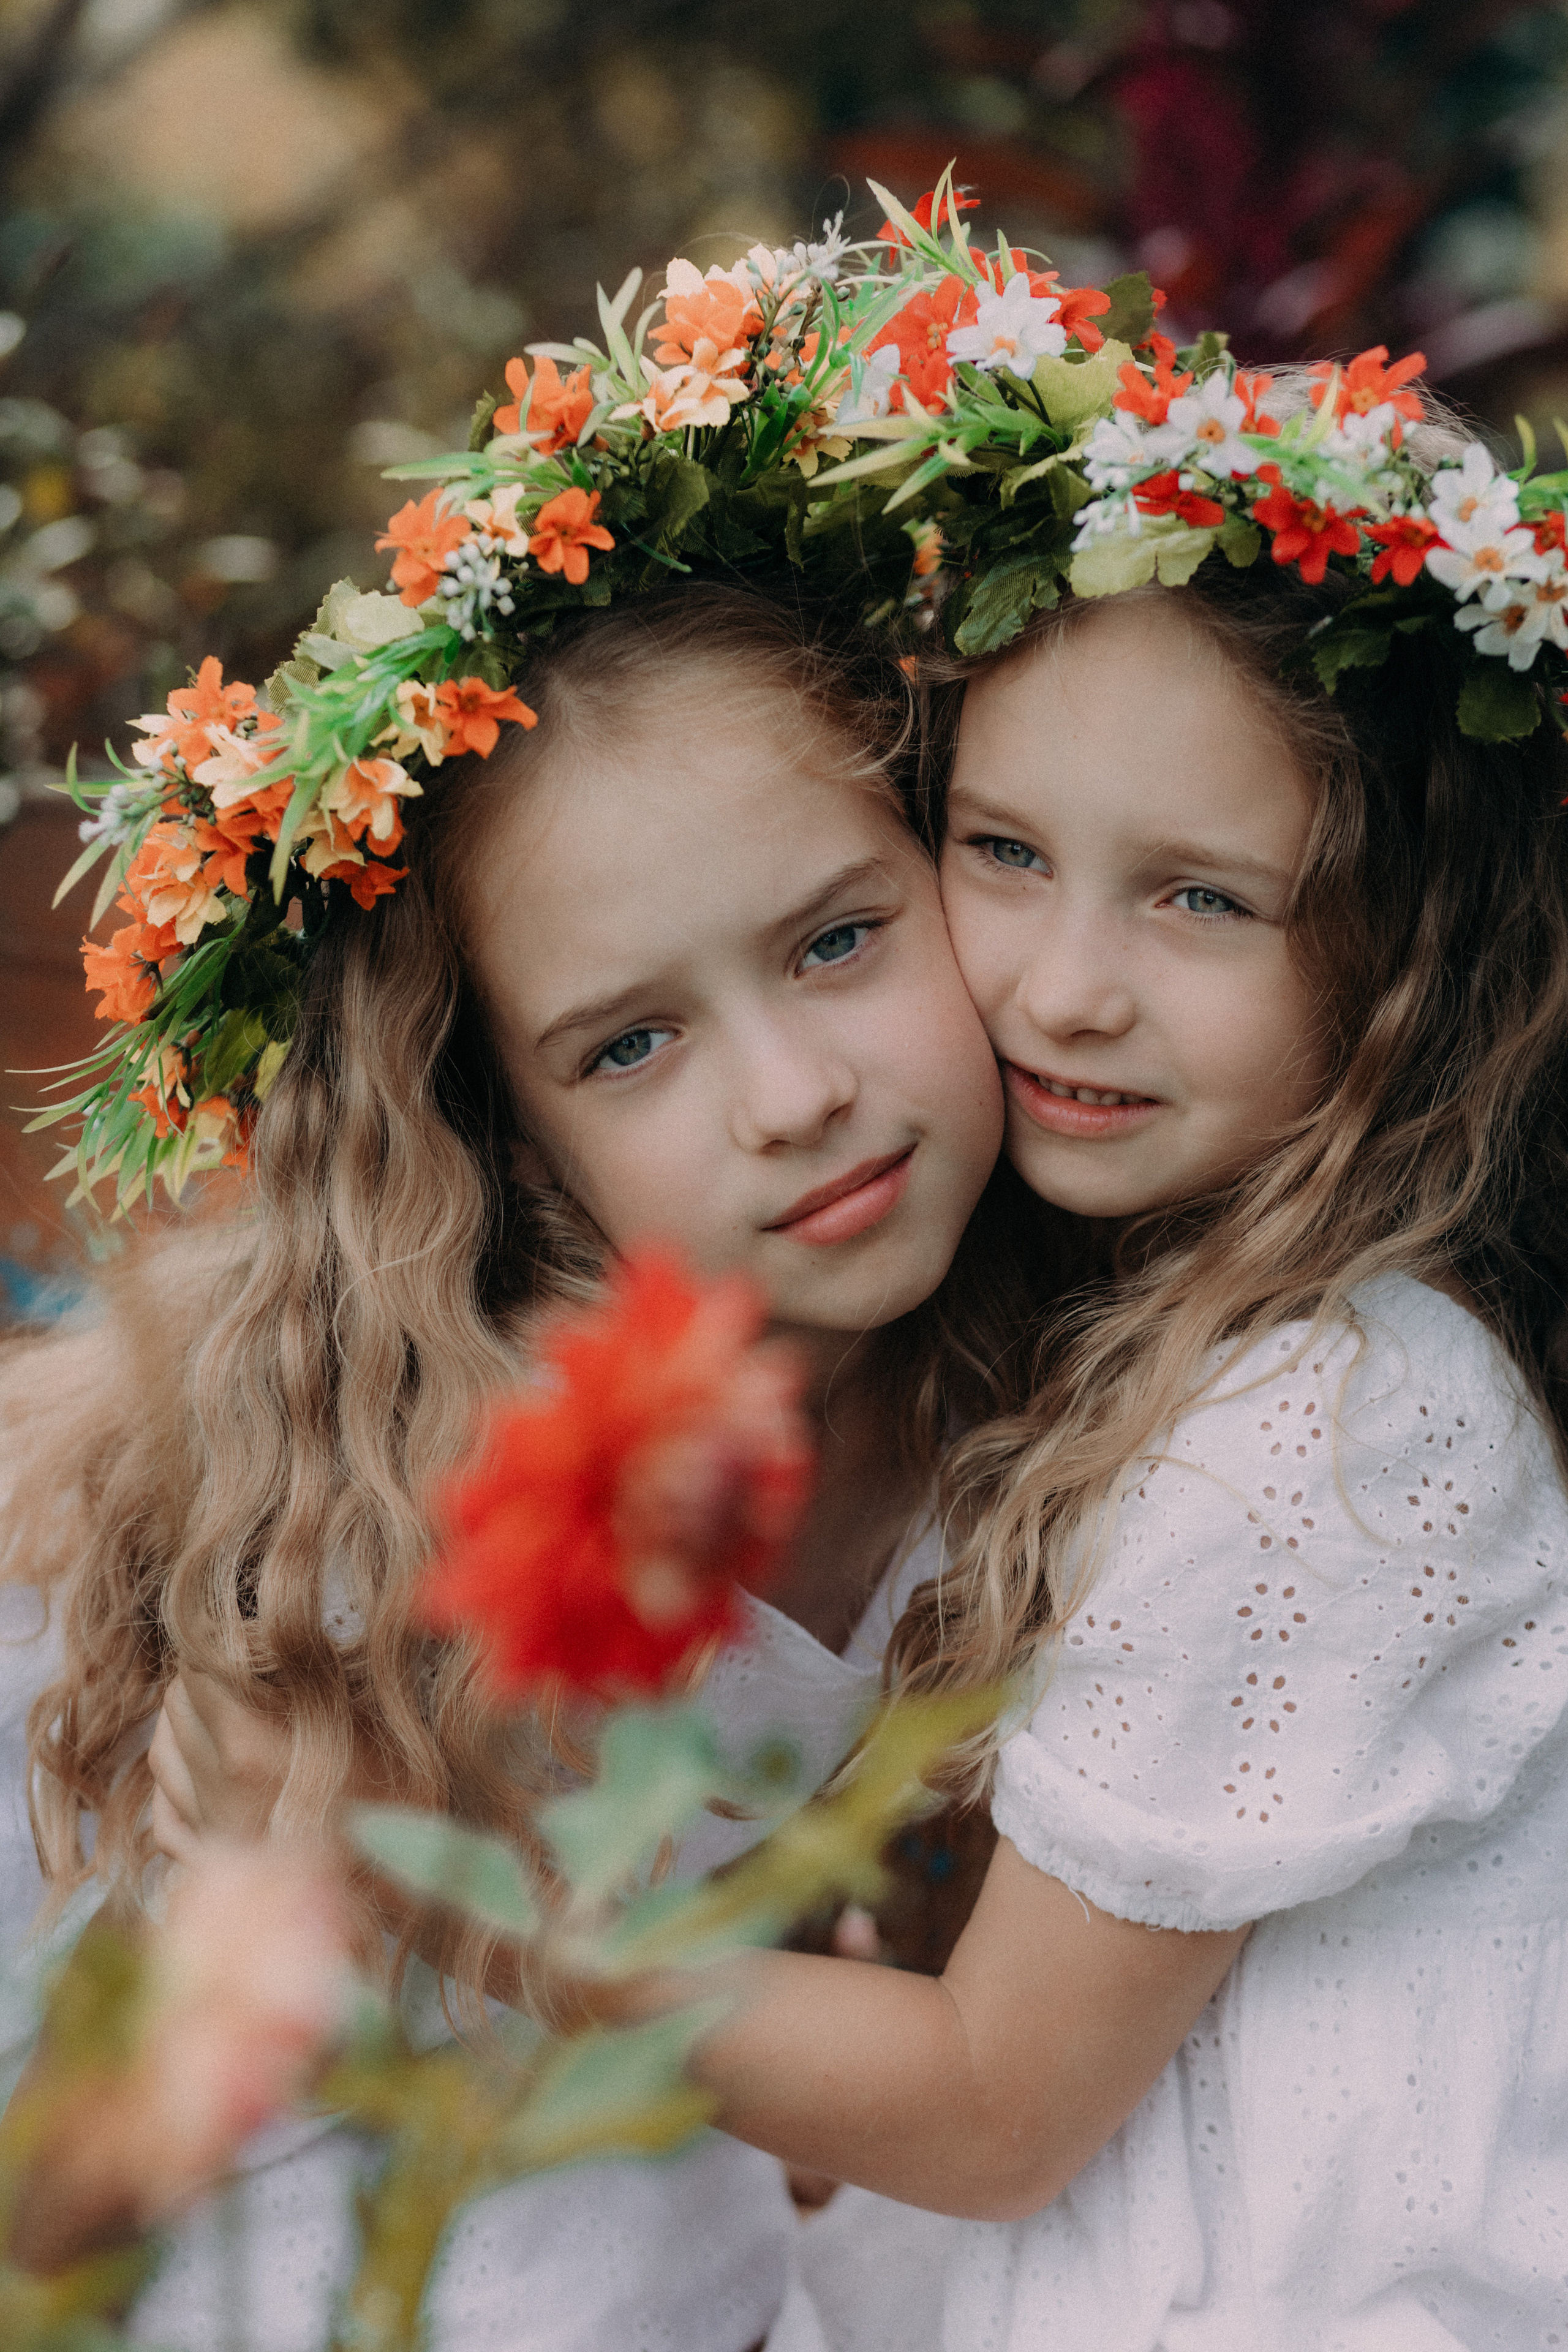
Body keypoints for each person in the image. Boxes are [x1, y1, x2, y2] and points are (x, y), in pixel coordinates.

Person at [576, 379, 1568, 2350]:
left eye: (1202, 897)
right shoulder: (1225, 1336)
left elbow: (996, 2112)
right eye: (1003, 850)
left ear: (1415, 946)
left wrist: (472, 1933)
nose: (1060, 983)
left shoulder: (1333, 1427)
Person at [0, 575, 1038, 2350]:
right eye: (631, 1045)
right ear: (523, 1146)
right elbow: (86, 2154)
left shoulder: (998, 1376)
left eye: (838, 940)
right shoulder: (404, 1514)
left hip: (637, 2227)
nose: (792, 1095)